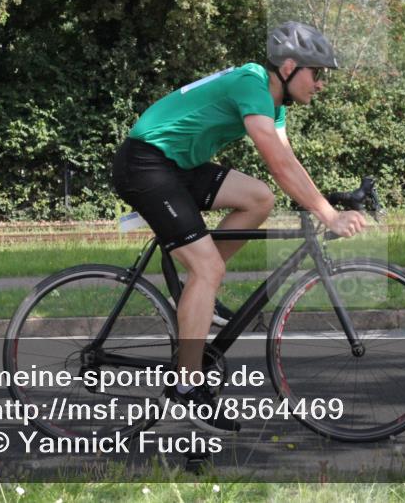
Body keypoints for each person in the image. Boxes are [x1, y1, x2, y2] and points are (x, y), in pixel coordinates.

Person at [112, 21, 367, 434]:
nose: (320, 84)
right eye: (317, 73)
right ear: (289, 67)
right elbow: (277, 160)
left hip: (178, 166)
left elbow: (289, 163)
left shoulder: (274, 102)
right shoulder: (251, 83)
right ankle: (186, 388)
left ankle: (202, 293)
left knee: (259, 198)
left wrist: (325, 199)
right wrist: (328, 215)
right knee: (207, 267)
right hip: (146, 164)